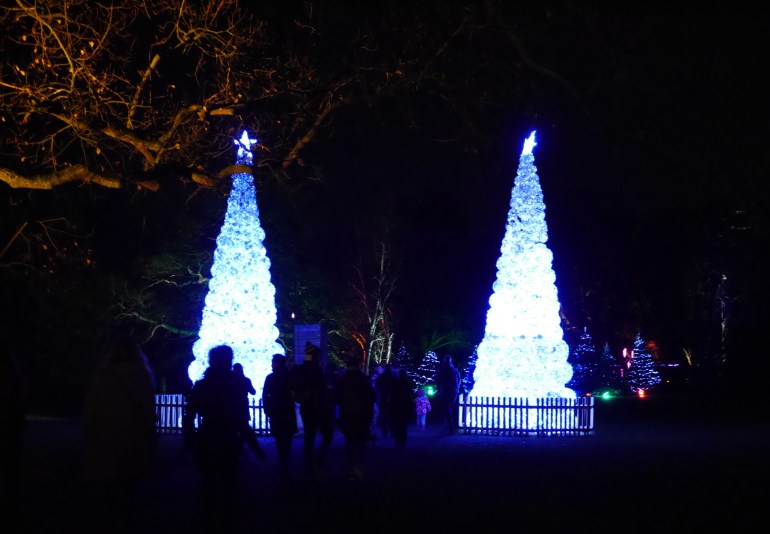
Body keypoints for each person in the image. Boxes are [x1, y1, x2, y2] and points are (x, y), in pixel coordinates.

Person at [82, 337, 156, 534]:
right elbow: (148, 410)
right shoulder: (141, 375)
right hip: (132, 435)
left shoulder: (103, 375)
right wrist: (149, 435)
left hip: (106, 435)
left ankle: (109, 521)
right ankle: (126, 523)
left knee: (109, 484)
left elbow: (91, 406)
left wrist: (89, 431)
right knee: (129, 486)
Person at [186, 345, 243, 533]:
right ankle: (226, 520)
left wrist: (189, 440)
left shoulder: (202, 385)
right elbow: (241, 415)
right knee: (227, 483)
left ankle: (209, 521)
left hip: (208, 435)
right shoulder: (234, 384)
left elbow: (190, 413)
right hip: (227, 436)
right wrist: (252, 443)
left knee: (209, 484)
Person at [290, 342, 334, 476]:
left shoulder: (300, 369)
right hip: (318, 407)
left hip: (306, 407)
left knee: (309, 436)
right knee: (327, 435)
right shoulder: (316, 369)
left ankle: (308, 463)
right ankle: (317, 461)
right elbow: (322, 387)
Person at [334, 351, 375, 480]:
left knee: (350, 442)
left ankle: (350, 468)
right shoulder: (363, 378)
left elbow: (336, 397)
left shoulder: (342, 378)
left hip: (346, 414)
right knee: (360, 442)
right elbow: (370, 396)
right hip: (362, 415)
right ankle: (358, 467)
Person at [0, 339, 26, 523]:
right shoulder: (13, 373)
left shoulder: (10, 375)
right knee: (11, 470)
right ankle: (12, 505)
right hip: (10, 427)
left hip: (9, 426)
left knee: (11, 469)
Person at [262, 354, 297, 478]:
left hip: (276, 410)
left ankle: (282, 461)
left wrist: (267, 409)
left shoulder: (271, 377)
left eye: (272, 362)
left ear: (275, 363)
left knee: (279, 438)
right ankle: (286, 461)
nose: (271, 364)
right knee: (287, 438)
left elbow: (265, 395)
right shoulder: (290, 375)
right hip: (287, 410)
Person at [232, 362, 266, 460]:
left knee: (236, 428)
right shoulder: (245, 380)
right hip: (242, 406)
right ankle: (253, 449)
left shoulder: (231, 380)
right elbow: (253, 391)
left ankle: (239, 448)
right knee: (245, 428)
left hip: (233, 407)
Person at [388, 369, 416, 448]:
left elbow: (392, 393)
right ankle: (402, 440)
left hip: (397, 405)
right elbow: (410, 395)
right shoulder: (407, 383)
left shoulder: (396, 382)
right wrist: (412, 406)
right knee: (403, 425)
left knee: (397, 423)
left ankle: (398, 440)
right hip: (404, 406)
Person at [434, 354, 461, 434]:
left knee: (447, 409)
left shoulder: (442, 370)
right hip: (452, 391)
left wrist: (439, 388)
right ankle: (450, 427)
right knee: (450, 408)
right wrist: (457, 388)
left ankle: (449, 427)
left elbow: (437, 380)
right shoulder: (454, 370)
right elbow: (459, 380)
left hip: (446, 391)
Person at [374, 363, 395, 440]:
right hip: (391, 398)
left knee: (383, 415)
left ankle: (385, 432)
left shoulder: (381, 377)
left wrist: (375, 397)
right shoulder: (393, 377)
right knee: (391, 415)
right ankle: (391, 431)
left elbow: (376, 388)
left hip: (382, 398)